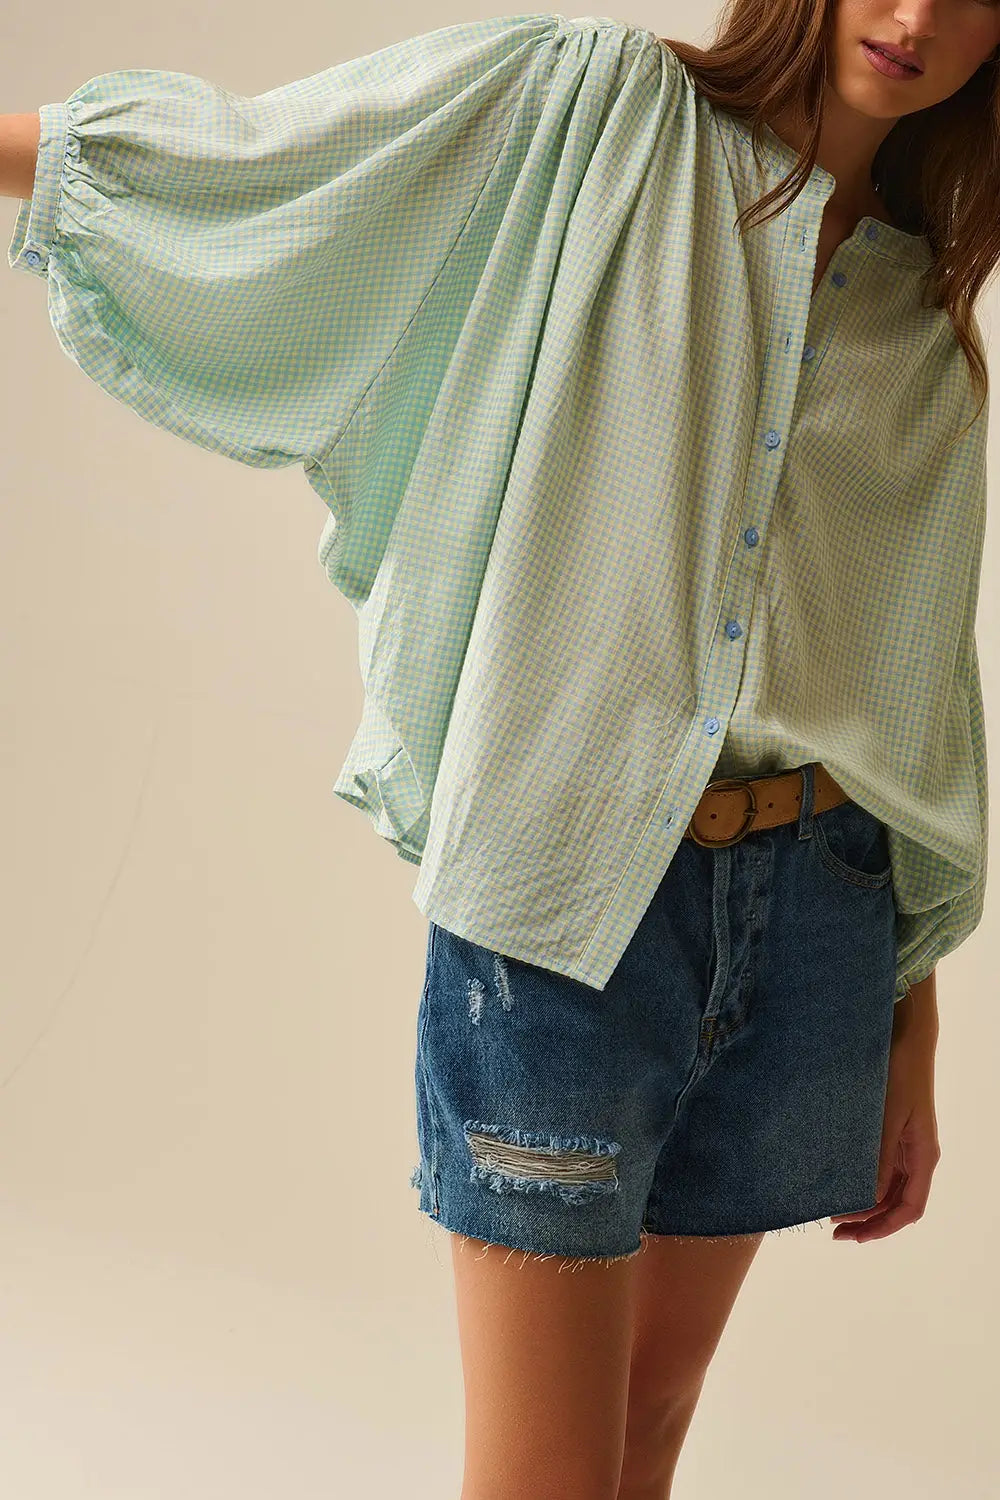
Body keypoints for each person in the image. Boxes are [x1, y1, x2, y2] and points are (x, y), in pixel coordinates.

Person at [2, 4, 994, 1496]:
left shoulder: (922, 316)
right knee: (542, 1475)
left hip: (820, 920)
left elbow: (910, 690)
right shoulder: (605, 113)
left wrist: (913, 1023)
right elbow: (287, 167)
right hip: (568, 900)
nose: (914, 15)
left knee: (653, 1422)